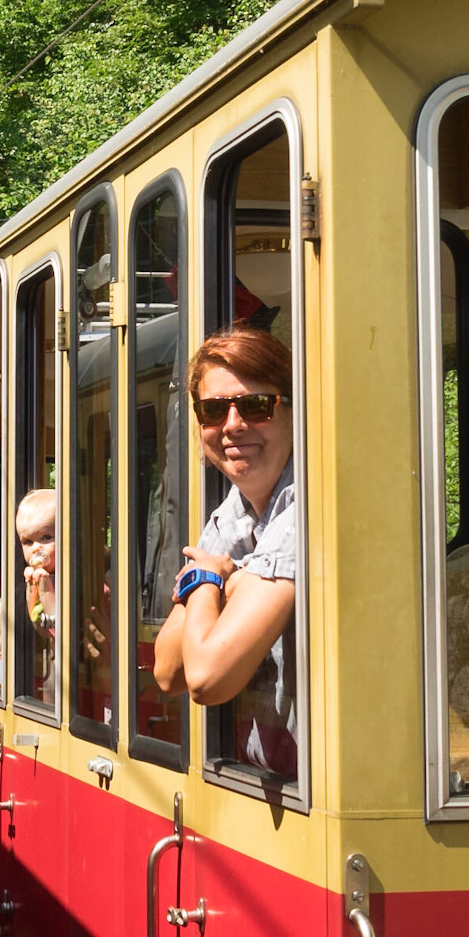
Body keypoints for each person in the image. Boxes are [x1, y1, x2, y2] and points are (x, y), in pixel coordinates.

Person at [152, 326, 297, 776]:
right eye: (213, 410)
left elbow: (207, 677)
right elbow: (169, 669)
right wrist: (213, 580)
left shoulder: (307, 508)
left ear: (295, 411)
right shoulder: (233, 510)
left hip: (324, 796)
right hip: (273, 786)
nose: (233, 425)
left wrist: (210, 579)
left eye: (256, 406)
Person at [14, 487, 56, 629]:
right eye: (28, 542)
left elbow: (59, 628)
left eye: (46, 537)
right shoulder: (37, 575)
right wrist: (32, 589)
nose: (36, 548)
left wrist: (45, 592)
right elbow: (37, 622)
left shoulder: (77, 578)